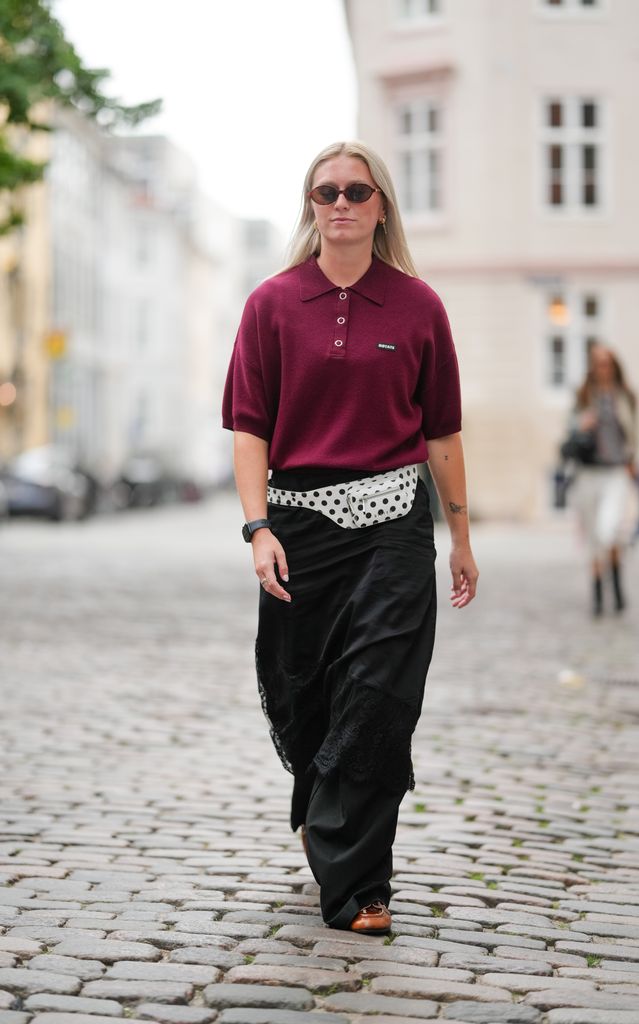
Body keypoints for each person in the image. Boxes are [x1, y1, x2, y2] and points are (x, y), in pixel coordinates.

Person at [222, 140, 478, 936]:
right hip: (298, 527)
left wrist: (461, 537)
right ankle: (320, 801)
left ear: (380, 206)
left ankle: (361, 884)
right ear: (311, 204)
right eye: (325, 190)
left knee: (379, 696)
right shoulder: (271, 304)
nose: (340, 203)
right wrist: (257, 527)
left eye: (356, 192)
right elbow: (248, 430)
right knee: (310, 698)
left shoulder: (418, 306)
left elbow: (441, 434)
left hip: (396, 526)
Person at [569, 344, 637, 616]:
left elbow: (633, 433)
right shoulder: (584, 396)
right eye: (597, 363)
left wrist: (633, 462)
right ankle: (600, 594)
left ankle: (616, 583)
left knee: (608, 530)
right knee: (594, 537)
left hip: (615, 472)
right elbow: (569, 430)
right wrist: (581, 423)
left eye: (607, 363)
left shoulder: (625, 396)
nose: (602, 368)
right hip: (588, 472)